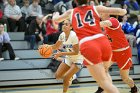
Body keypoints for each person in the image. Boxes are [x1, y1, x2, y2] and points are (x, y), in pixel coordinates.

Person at [52, 0, 127, 93]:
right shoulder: (96, 8)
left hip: (89, 44)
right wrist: (125, 10)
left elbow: (56, 20)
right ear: (88, 1)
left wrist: (55, 15)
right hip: (103, 42)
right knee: (105, 75)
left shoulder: (71, 12)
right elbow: (121, 11)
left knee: (103, 82)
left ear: (75, 1)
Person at [94, 14, 138, 93]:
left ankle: (133, 88)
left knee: (125, 77)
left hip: (123, 52)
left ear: (107, 13)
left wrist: (89, 24)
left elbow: (103, 23)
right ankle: (102, 87)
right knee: (102, 69)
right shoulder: (106, 28)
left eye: (101, 13)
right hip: (113, 52)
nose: (100, 15)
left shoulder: (113, 21)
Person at [39, 19, 83, 93]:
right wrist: (46, 46)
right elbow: (56, 46)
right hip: (69, 58)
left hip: (78, 59)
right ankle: (73, 76)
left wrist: (61, 54)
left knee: (66, 78)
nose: (64, 25)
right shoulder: (62, 35)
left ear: (71, 27)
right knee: (57, 76)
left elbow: (76, 52)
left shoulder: (74, 36)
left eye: (66, 24)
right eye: (63, 24)